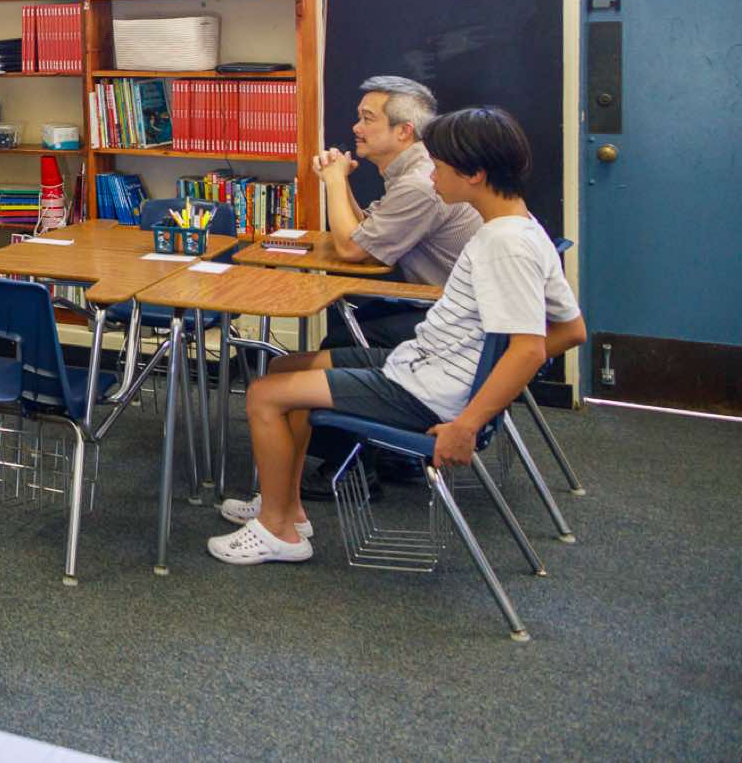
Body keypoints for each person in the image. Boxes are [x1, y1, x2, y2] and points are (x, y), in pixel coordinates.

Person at [208, 107, 585, 566]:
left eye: (439, 167)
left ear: (474, 175)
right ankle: (285, 504)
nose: (432, 178)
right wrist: (483, 372)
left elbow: (528, 350)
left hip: (426, 391)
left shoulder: (505, 246)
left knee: (264, 395)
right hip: (422, 365)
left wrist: (468, 420)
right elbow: (571, 329)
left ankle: (278, 531)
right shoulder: (521, 228)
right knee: (286, 367)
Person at [304, 76, 484, 495]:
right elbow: (368, 235)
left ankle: (351, 468)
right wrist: (341, 183)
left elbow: (351, 249)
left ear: (404, 131)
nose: (356, 128)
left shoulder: (420, 183)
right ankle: (391, 451)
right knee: (352, 327)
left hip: (455, 323)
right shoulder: (416, 170)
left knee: (345, 340)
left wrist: (333, 182)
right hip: (452, 309)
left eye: (368, 119)